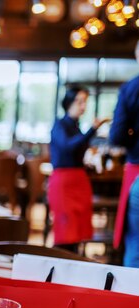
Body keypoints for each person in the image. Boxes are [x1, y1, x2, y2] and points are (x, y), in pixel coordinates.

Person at [48, 86, 108, 252]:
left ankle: (75, 270)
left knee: (78, 233)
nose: (83, 106)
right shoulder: (59, 125)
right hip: (64, 184)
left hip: (79, 181)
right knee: (65, 232)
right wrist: (93, 129)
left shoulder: (76, 127)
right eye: (79, 101)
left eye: (85, 102)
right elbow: (68, 147)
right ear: (69, 102)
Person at [109, 40, 139, 266]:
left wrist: (133, 139)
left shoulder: (130, 89)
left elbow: (117, 136)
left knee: (136, 246)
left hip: (137, 172)